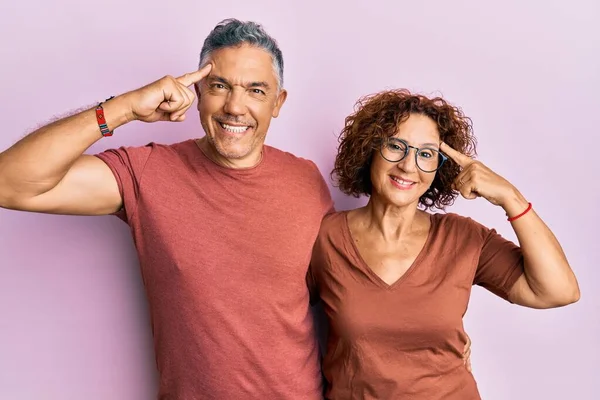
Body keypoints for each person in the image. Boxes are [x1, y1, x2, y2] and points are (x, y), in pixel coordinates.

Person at [0, 18, 472, 399]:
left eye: (256, 90)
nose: (235, 107)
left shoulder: (305, 180)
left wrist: (424, 341)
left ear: (279, 103)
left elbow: (342, 295)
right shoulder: (147, 172)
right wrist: (123, 108)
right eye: (220, 86)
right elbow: (11, 184)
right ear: (198, 94)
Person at [308, 89, 580, 399]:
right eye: (396, 146)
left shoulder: (463, 238)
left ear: (439, 167)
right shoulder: (325, 237)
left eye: (425, 153)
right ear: (370, 149)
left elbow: (559, 290)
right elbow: (278, 316)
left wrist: (510, 197)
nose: (409, 166)